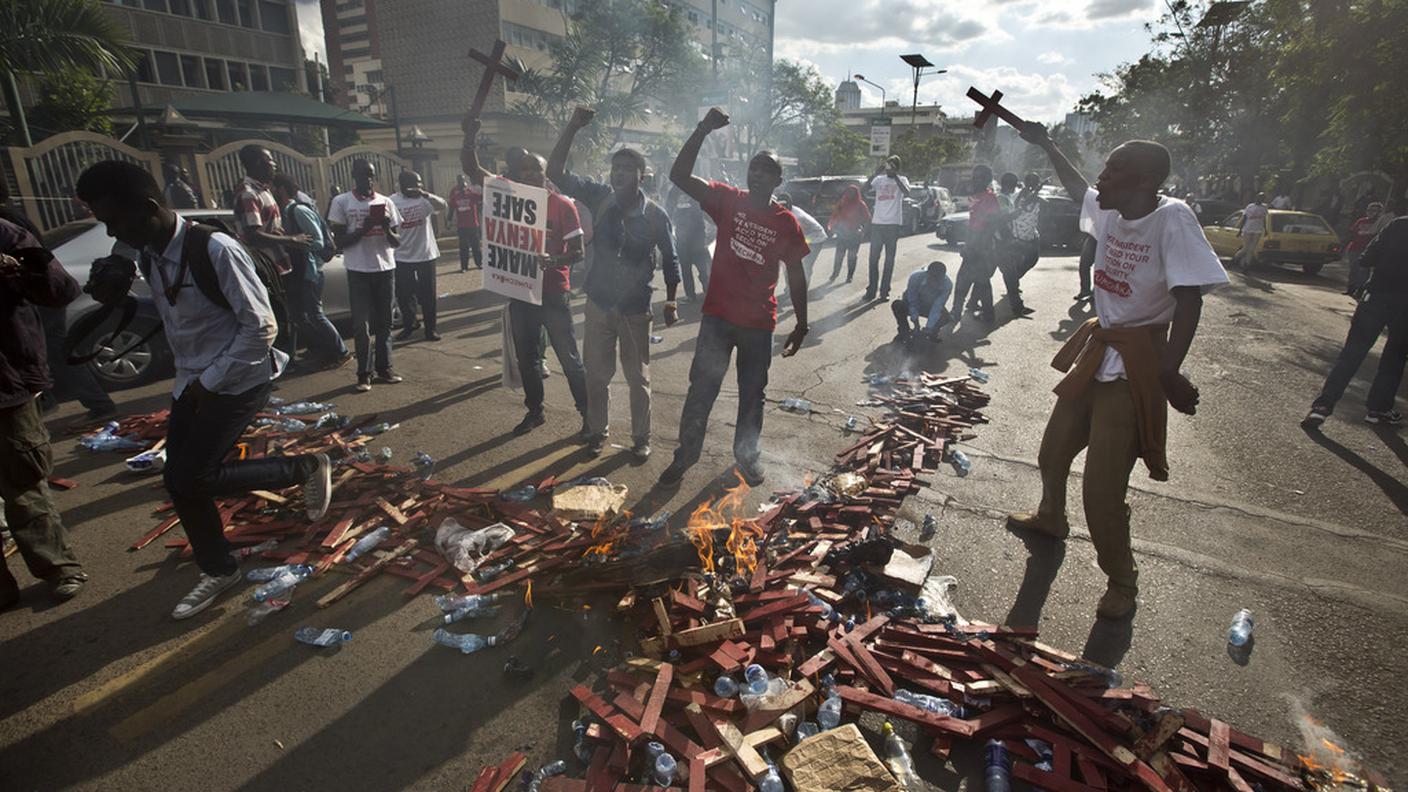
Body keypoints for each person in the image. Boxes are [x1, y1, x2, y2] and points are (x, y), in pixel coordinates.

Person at [75, 161, 333, 620]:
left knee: (193, 476)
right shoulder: (150, 250)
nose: (112, 230)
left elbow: (261, 327)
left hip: (238, 379)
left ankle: (305, 466)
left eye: (114, 220)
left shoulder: (216, 249)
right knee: (179, 479)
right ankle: (219, 568)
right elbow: (172, 309)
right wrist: (123, 299)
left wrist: (210, 384)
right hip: (191, 380)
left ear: (149, 209)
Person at [1005, 126, 1228, 620]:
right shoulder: (1109, 210)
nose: (1101, 176)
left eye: (1114, 168)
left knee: (1102, 491)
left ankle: (1122, 581)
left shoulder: (1172, 218)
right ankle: (1049, 517)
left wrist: (1169, 372)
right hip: (1097, 351)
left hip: (1135, 365)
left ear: (1145, 181)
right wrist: (1045, 145)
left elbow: (1189, 297)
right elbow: (1075, 186)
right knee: (1053, 451)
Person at [658, 108, 810, 488]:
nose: (757, 173)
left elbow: (795, 273)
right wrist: (702, 128)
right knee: (701, 389)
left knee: (752, 396)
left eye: (766, 169)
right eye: (754, 167)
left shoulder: (786, 222)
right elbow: (678, 176)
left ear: (778, 179)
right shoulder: (727, 200)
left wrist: (803, 324)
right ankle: (686, 455)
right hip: (719, 319)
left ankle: (746, 458)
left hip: (759, 324)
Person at [548, 107, 681, 460]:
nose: (619, 173)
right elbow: (555, 172)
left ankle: (642, 439)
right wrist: (573, 126)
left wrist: (671, 300)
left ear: (642, 176)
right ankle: (596, 432)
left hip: (636, 310)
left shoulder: (656, 215)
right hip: (599, 303)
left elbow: (671, 259)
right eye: (616, 167)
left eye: (628, 168)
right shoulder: (599, 195)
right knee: (597, 375)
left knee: (638, 380)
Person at [462, 117, 589, 436]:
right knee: (528, 357)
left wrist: (553, 260)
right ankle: (536, 411)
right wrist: (469, 137)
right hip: (521, 292)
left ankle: (588, 415)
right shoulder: (508, 198)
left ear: (546, 174)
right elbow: (472, 169)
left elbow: (579, 252)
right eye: (525, 170)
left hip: (553, 292)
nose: (531, 174)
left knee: (569, 358)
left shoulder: (562, 205)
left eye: (537, 169)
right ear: (517, 175)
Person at [1, 217, 89, 609]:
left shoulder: (6, 234)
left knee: (22, 483)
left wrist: (20, 266)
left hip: (5, 386)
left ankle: (58, 567)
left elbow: (61, 290)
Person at [1303, 212, 1408, 427]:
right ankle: (1378, 409)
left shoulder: (1398, 225)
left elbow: (1366, 258)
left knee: (1351, 355)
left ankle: (1322, 407)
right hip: (1404, 306)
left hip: (1375, 297)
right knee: (1393, 359)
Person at [327, 160, 404, 392]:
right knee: (361, 325)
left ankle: (385, 368)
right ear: (354, 176)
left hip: (385, 269)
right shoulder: (342, 202)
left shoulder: (386, 202)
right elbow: (339, 242)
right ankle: (364, 373)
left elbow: (397, 241)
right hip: (358, 270)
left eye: (371, 175)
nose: (367, 180)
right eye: (362, 175)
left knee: (385, 323)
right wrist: (364, 228)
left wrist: (387, 228)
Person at [234, 145, 311, 357]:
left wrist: (283, 235)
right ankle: (273, 365)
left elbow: (269, 229)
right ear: (258, 164)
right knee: (272, 319)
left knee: (286, 316)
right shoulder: (248, 194)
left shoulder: (264, 191)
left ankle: (287, 359)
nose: (274, 165)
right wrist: (291, 239)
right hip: (264, 267)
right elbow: (253, 234)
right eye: (270, 161)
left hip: (279, 265)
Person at [270, 173, 350, 369]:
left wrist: (290, 239)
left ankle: (341, 352)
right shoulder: (284, 212)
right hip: (295, 272)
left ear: (280, 189)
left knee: (314, 315)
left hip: (309, 272)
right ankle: (321, 349)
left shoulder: (298, 211)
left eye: (272, 188)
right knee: (298, 316)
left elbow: (317, 241)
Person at [390, 170, 448, 342]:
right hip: (402, 256)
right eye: (415, 183)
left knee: (428, 294)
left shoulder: (424, 199)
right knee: (405, 295)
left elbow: (443, 205)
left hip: (425, 254)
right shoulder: (392, 201)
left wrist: (424, 193)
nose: (419, 186)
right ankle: (410, 325)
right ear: (403, 185)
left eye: (420, 183)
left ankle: (431, 329)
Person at [949, 165, 1003, 322]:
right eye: (974, 176)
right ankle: (976, 313)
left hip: (982, 248)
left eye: (978, 177)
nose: (974, 180)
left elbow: (992, 225)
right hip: (973, 246)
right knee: (973, 281)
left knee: (976, 281)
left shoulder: (990, 198)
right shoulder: (976, 197)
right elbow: (973, 224)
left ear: (986, 180)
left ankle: (981, 314)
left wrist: (976, 246)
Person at [864, 156, 911, 301]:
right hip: (878, 223)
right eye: (888, 165)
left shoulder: (902, 180)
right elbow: (864, 189)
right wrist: (875, 174)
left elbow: (907, 193)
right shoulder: (879, 180)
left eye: (893, 166)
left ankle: (885, 291)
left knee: (889, 260)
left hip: (893, 224)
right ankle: (871, 290)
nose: (889, 168)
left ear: (897, 167)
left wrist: (895, 176)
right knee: (873, 259)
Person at [999, 172, 1042, 315]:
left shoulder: (1008, 198)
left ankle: (973, 302)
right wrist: (1010, 237)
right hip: (1004, 242)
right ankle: (1017, 308)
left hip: (1010, 239)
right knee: (1008, 275)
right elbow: (1003, 220)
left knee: (986, 274)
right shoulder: (1004, 199)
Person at [774, 192, 827, 298]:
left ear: (789, 205)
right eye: (779, 205)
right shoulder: (782, 213)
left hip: (816, 238)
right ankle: (790, 289)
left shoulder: (796, 216)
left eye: (784, 205)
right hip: (804, 237)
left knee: (804, 267)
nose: (781, 207)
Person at [667, 185, 711, 302]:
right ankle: (690, 295)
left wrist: (714, 222)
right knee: (686, 267)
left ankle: (708, 289)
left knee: (703, 265)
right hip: (682, 236)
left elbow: (706, 209)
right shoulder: (674, 191)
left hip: (698, 235)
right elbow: (668, 211)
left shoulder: (695, 188)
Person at [892, 260, 952, 344]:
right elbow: (912, 301)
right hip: (913, 303)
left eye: (938, 280)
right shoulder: (916, 277)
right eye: (932, 278)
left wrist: (928, 328)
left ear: (942, 277)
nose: (934, 282)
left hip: (929, 306)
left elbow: (937, 307)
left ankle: (932, 334)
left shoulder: (947, 285)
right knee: (897, 305)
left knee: (945, 317)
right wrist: (916, 325)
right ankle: (904, 332)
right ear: (927, 273)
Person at [828, 184, 869, 283]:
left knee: (852, 256)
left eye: (852, 192)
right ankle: (835, 273)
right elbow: (834, 216)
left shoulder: (860, 204)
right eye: (848, 191)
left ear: (856, 193)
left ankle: (850, 276)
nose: (850, 194)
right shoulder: (842, 203)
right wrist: (832, 227)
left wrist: (864, 232)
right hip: (842, 233)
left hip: (854, 234)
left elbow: (867, 218)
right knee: (839, 255)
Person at [1345, 202, 1384, 295]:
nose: (1372, 213)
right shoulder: (1361, 221)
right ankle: (1351, 288)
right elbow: (1352, 233)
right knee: (1353, 269)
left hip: (1367, 250)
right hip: (1354, 248)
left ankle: (1360, 289)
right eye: (1370, 210)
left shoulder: (1379, 224)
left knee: (1363, 271)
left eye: (1375, 211)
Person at [449, 174, 483, 272]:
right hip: (462, 226)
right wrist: (449, 221)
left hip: (473, 225)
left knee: (476, 246)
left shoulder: (471, 194)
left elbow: (482, 198)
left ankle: (479, 263)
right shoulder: (455, 196)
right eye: (461, 186)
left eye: (464, 185)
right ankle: (464, 267)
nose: (463, 188)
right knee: (463, 247)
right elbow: (451, 209)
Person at [1235, 192, 1268, 269]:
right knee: (1245, 248)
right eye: (1259, 197)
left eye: (1262, 198)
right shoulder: (1250, 206)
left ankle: (1246, 265)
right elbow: (1245, 218)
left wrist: (1265, 229)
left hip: (1258, 230)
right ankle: (1235, 259)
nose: (1260, 199)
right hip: (1247, 229)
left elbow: (1264, 219)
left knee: (1251, 249)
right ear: (1256, 198)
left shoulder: (1264, 207)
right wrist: (1240, 230)